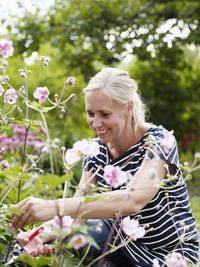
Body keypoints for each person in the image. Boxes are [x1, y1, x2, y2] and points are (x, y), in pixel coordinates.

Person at [12, 68, 199, 266]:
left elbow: (133, 200)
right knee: (48, 245)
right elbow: (78, 212)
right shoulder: (96, 150)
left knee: (94, 241)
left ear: (128, 107)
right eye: (91, 113)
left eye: (105, 114)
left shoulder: (159, 142)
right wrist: (42, 234)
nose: (96, 123)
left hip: (170, 255)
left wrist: (51, 206)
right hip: (120, 243)